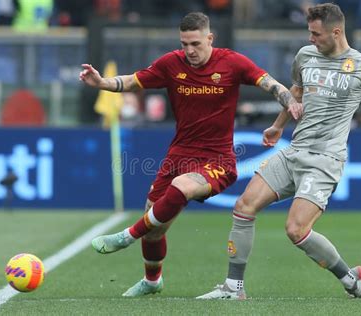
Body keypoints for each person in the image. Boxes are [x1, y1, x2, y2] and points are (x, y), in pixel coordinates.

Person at [79, 12, 302, 297]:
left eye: (195, 43)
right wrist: (101, 83)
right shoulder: (171, 64)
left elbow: (270, 83)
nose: (189, 50)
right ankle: (152, 280)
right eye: (184, 44)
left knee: (180, 188)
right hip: (179, 154)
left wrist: (290, 101)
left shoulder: (232, 63)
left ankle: (127, 235)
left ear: (210, 38)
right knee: (154, 225)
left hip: (218, 159)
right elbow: (134, 81)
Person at [197, 3, 361, 300]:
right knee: (243, 206)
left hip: (325, 160)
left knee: (296, 229)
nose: (311, 38)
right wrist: (278, 126)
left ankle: (349, 278)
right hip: (294, 151)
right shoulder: (305, 56)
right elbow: (296, 94)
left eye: (316, 33)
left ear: (336, 32)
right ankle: (233, 288)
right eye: (310, 32)